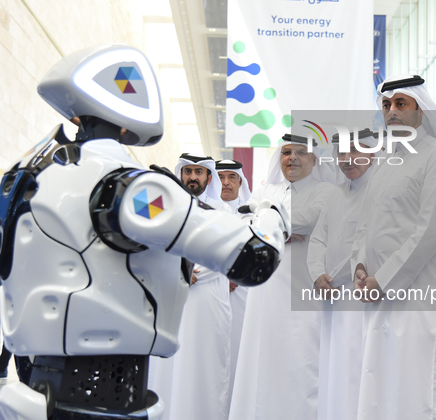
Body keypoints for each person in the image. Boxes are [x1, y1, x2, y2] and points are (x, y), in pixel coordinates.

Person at [0, 45, 289, 419]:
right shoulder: (136, 189)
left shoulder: (27, 177)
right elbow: (254, 259)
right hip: (100, 397)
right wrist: (273, 212)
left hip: (31, 389)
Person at [351, 74, 436, 419]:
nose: (392, 111)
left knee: (424, 391)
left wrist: (383, 280)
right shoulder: (385, 163)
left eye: (401, 104)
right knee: (384, 390)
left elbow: (431, 230)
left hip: (423, 297)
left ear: (421, 112)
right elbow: (366, 224)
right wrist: (360, 269)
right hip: (380, 295)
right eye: (386, 105)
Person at [228, 134, 334, 420]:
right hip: (264, 292)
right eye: (287, 152)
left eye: (301, 152)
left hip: (303, 290)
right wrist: (280, 225)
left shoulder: (326, 191)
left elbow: (310, 216)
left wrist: (264, 221)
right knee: (263, 357)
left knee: (302, 359)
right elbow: (242, 225)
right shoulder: (266, 191)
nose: (293, 158)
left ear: (314, 159)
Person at [149, 154, 235, 420]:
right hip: (170, 298)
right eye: (188, 172)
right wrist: (176, 269)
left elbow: (227, 250)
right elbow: (149, 238)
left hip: (207, 301)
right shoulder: (161, 204)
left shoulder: (225, 212)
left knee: (202, 366)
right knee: (167, 367)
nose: (193, 177)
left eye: (199, 172)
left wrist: (190, 270)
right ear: (181, 174)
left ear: (209, 178)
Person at [307, 128, 377, 420]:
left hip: (363, 296)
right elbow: (317, 239)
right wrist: (316, 273)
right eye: (342, 154)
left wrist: (339, 274)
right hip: (332, 296)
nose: (347, 159)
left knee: (357, 369)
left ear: (372, 154)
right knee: (333, 368)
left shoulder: (383, 191)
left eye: (354, 152)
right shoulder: (336, 195)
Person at [215, 158, 251, 396]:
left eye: (232, 177)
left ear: (240, 181)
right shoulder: (202, 211)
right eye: (219, 177)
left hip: (242, 299)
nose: (226, 183)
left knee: (240, 355)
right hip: (209, 296)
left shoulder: (254, 213)